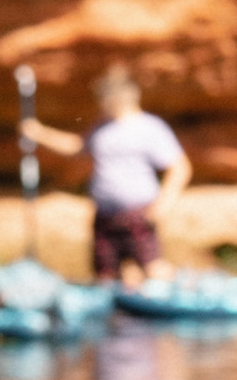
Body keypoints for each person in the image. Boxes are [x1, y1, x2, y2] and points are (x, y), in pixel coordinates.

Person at [21, 68, 190, 285]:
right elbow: (78, 147)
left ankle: (182, 295)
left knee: (152, 269)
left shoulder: (150, 128)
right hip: (105, 216)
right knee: (106, 276)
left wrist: (164, 203)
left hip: (138, 214)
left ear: (116, 98)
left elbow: (179, 167)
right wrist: (39, 134)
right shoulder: (101, 128)